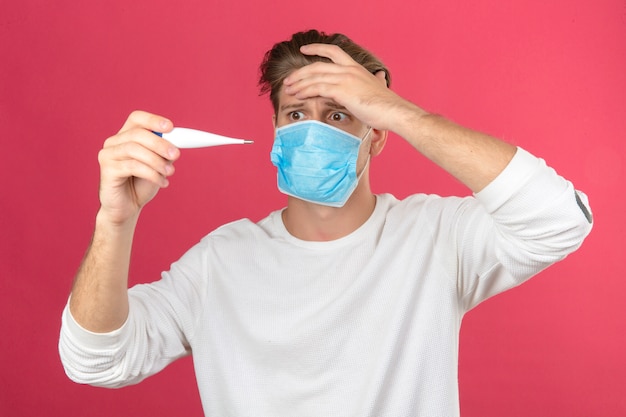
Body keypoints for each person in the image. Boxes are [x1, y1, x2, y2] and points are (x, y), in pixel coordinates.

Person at [59, 29, 593, 416]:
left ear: (376, 134)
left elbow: (558, 219)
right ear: (274, 130)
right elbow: (96, 362)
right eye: (296, 115)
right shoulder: (219, 263)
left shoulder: (436, 237)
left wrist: (400, 111)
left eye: (338, 114)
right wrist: (115, 220)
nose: (312, 130)